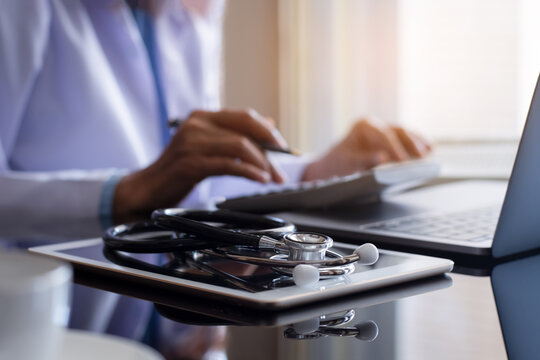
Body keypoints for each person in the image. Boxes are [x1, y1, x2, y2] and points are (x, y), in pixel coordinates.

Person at [0, 0, 430, 357]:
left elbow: (197, 185)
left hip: (173, 334)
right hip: (37, 328)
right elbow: (159, 183)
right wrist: (130, 192)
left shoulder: (188, 14)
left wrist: (321, 172)